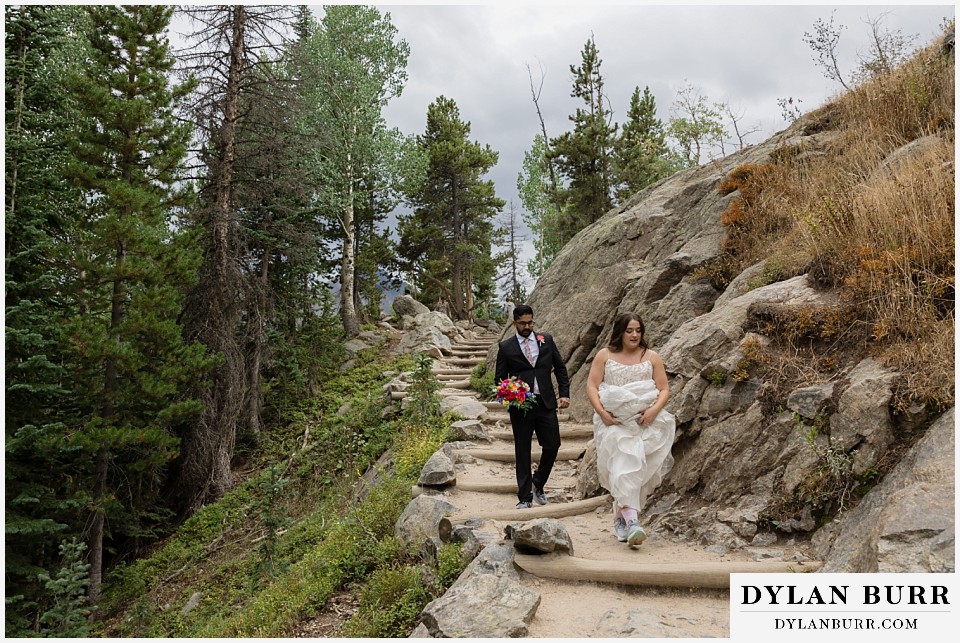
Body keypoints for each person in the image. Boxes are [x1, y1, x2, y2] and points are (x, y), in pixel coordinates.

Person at [586, 312, 675, 546]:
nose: (635, 335)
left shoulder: (652, 357)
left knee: (636, 471)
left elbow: (663, 388)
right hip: (614, 422)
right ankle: (634, 523)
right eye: (629, 330)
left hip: (645, 422)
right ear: (620, 332)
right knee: (622, 465)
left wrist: (654, 410)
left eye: (638, 330)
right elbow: (592, 386)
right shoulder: (605, 356)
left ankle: (620, 518)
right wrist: (602, 413)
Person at [495, 304, 571, 509]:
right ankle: (525, 497)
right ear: (515, 323)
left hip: (546, 402)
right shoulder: (506, 347)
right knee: (523, 450)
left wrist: (564, 394)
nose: (527, 326)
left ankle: (538, 482)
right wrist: (511, 394)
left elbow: (560, 369)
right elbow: (500, 379)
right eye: (522, 323)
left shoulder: (546, 340)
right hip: (521, 406)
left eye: (530, 322)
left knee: (553, 445)